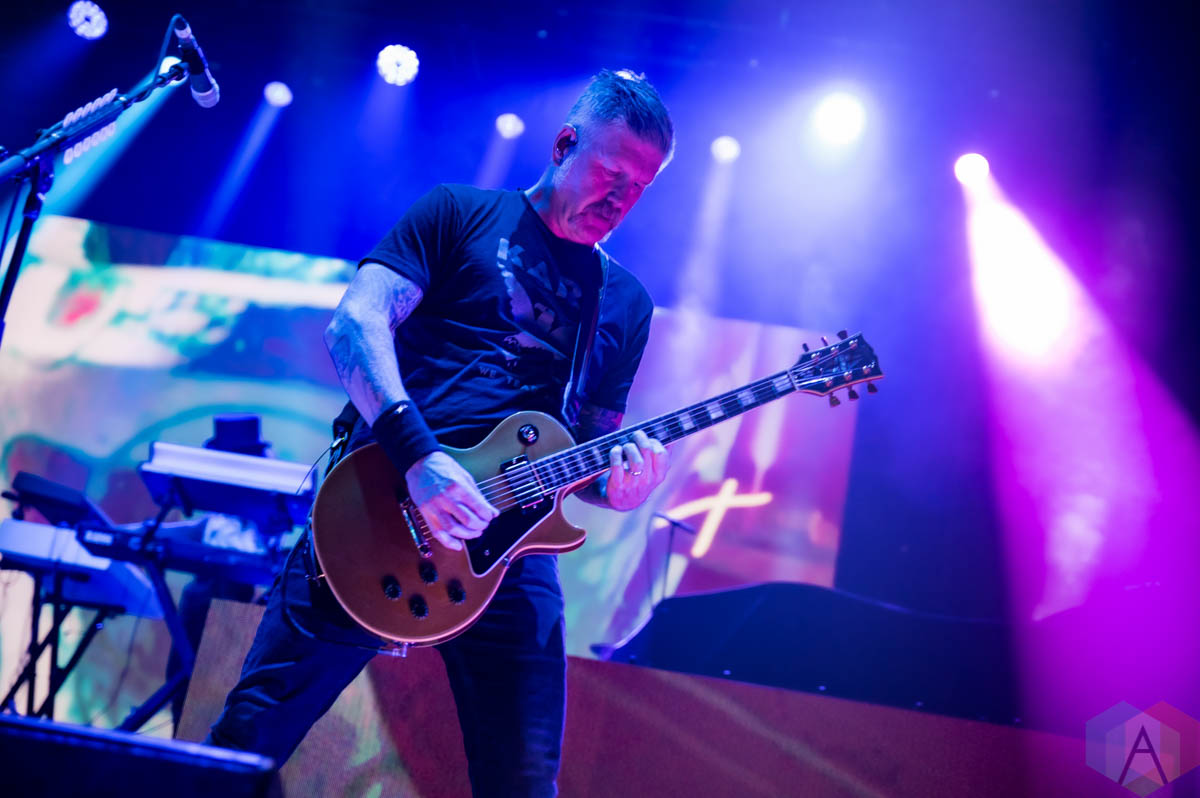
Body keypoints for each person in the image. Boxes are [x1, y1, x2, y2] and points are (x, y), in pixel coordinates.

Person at [205, 68, 674, 797]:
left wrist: (619, 489)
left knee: (524, 782)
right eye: (612, 174)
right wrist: (420, 456)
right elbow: (354, 325)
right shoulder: (458, 213)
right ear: (563, 144)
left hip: (509, 549)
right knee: (248, 740)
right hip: (381, 505)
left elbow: (586, 449)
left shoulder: (624, 303)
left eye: (640, 187)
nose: (621, 200)